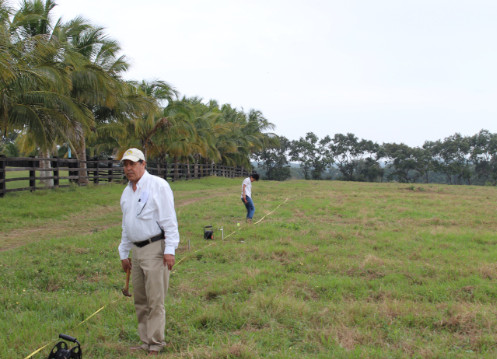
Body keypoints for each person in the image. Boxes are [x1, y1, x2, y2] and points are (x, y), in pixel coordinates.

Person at [118, 148, 180, 356]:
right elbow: (127, 225)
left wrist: (169, 250)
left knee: (155, 300)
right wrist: (123, 253)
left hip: (155, 249)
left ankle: (156, 343)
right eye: (125, 165)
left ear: (143, 164)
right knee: (141, 300)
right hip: (136, 250)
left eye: (133, 164)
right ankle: (145, 341)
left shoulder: (158, 186)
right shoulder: (127, 192)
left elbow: (169, 221)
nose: (128, 168)